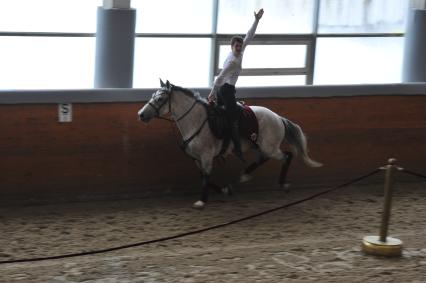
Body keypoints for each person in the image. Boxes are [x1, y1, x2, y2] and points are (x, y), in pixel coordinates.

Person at [208, 8, 264, 162]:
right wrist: (212, 92)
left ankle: (221, 146)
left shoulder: (239, 52)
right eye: (237, 47)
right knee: (234, 119)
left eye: (241, 46)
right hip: (226, 91)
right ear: (231, 47)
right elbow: (219, 78)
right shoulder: (233, 61)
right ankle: (238, 149)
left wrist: (257, 20)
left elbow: (249, 35)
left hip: (224, 90)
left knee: (222, 116)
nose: (239, 48)